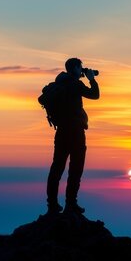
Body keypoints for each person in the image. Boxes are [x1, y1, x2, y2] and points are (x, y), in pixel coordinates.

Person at [46, 58, 99, 215]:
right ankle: (71, 205)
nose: (81, 70)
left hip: (61, 131)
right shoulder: (75, 84)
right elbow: (95, 95)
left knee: (57, 168)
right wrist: (92, 79)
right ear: (75, 68)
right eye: (80, 67)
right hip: (75, 132)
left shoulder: (59, 83)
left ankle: (52, 206)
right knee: (75, 169)